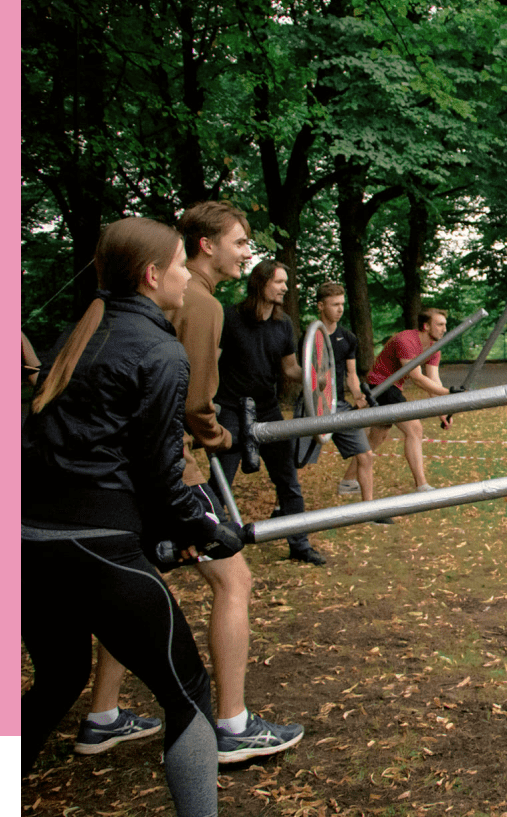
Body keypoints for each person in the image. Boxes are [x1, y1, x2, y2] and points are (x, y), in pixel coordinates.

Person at [22, 218, 247, 814]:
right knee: (189, 694)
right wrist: (204, 527)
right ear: (152, 275)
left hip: (26, 543)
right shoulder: (158, 350)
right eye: (178, 266)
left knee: (59, 677)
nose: (184, 278)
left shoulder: (77, 333)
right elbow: (158, 475)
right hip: (95, 550)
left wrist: (173, 529)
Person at [213, 258, 328, 566]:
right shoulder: (230, 318)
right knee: (221, 481)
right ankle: (210, 543)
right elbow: (211, 361)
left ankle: (299, 545)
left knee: (288, 480)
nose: (285, 287)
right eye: (279, 282)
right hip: (231, 410)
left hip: (268, 411)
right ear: (261, 282)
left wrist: (313, 378)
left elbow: (290, 368)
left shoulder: (283, 323)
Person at [365, 308, 455, 492]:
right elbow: (417, 378)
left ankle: (348, 482)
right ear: (426, 326)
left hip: (393, 387)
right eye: (440, 324)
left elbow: (433, 380)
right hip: (380, 385)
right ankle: (421, 485)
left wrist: (443, 412)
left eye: (445, 325)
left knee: (377, 437)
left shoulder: (433, 347)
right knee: (414, 428)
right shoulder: (406, 340)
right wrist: (449, 392)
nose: (444, 329)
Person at [312, 284, 375, 501]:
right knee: (294, 462)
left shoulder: (348, 338)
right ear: (321, 306)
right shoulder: (310, 338)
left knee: (366, 456)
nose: (340, 309)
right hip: (312, 405)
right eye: (334, 304)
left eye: (342, 304)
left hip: (337, 405)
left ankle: (369, 508)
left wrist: (358, 396)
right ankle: (283, 507)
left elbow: (351, 374)